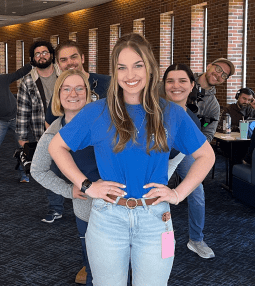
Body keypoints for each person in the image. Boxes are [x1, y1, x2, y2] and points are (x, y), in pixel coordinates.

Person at [48, 33, 214, 285]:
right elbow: (56, 146)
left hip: (157, 219)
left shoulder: (171, 113)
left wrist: (178, 194)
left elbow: (206, 155)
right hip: (107, 217)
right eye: (122, 67)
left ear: (150, 67)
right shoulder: (97, 111)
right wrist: (87, 185)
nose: (130, 74)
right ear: (115, 72)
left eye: (138, 65)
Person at [31, 69, 96, 285]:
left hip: (118, 204)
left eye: (79, 88)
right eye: (66, 89)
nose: (73, 93)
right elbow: (38, 170)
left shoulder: (104, 123)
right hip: (86, 206)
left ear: (88, 93)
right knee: (93, 267)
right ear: (58, 95)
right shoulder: (53, 133)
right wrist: (68, 190)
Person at [162, 63, 215, 259]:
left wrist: (177, 191)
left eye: (183, 81)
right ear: (164, 85)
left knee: (196, 191)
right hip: (156, 160)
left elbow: (203, 154)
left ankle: (196, 239)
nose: (176, 86)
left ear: (192, 85)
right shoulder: (155, 110)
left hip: (178, 156)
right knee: (158, 203)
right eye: (170, 81)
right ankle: (164, 253)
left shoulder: (192, 119)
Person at [16, 40, 65, 224]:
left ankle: (83, 205)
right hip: (45, 135)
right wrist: (22, 140)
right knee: (50, 171)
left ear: (51, 55)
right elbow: (22, 110)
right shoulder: (28, 81)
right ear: (33, 59)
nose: (41, 56)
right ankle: (56, 208)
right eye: (37, 54)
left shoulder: (65, 75)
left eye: (45, 52)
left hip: (71, 132)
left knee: (77, 169)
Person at [44, 40, 110, 128]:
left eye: (73, 57)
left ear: (82, 58)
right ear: (59, 65)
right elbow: (49, 123)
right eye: (63, 60)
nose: (69, 62)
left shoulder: (108, 82)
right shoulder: (61, 89)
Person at [194, 58, 236, 142]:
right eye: (218, 69)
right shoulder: (182, 82)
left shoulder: (213, 106)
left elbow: (208, 133)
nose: (219, 75)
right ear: (209, 66)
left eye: (224, 75)